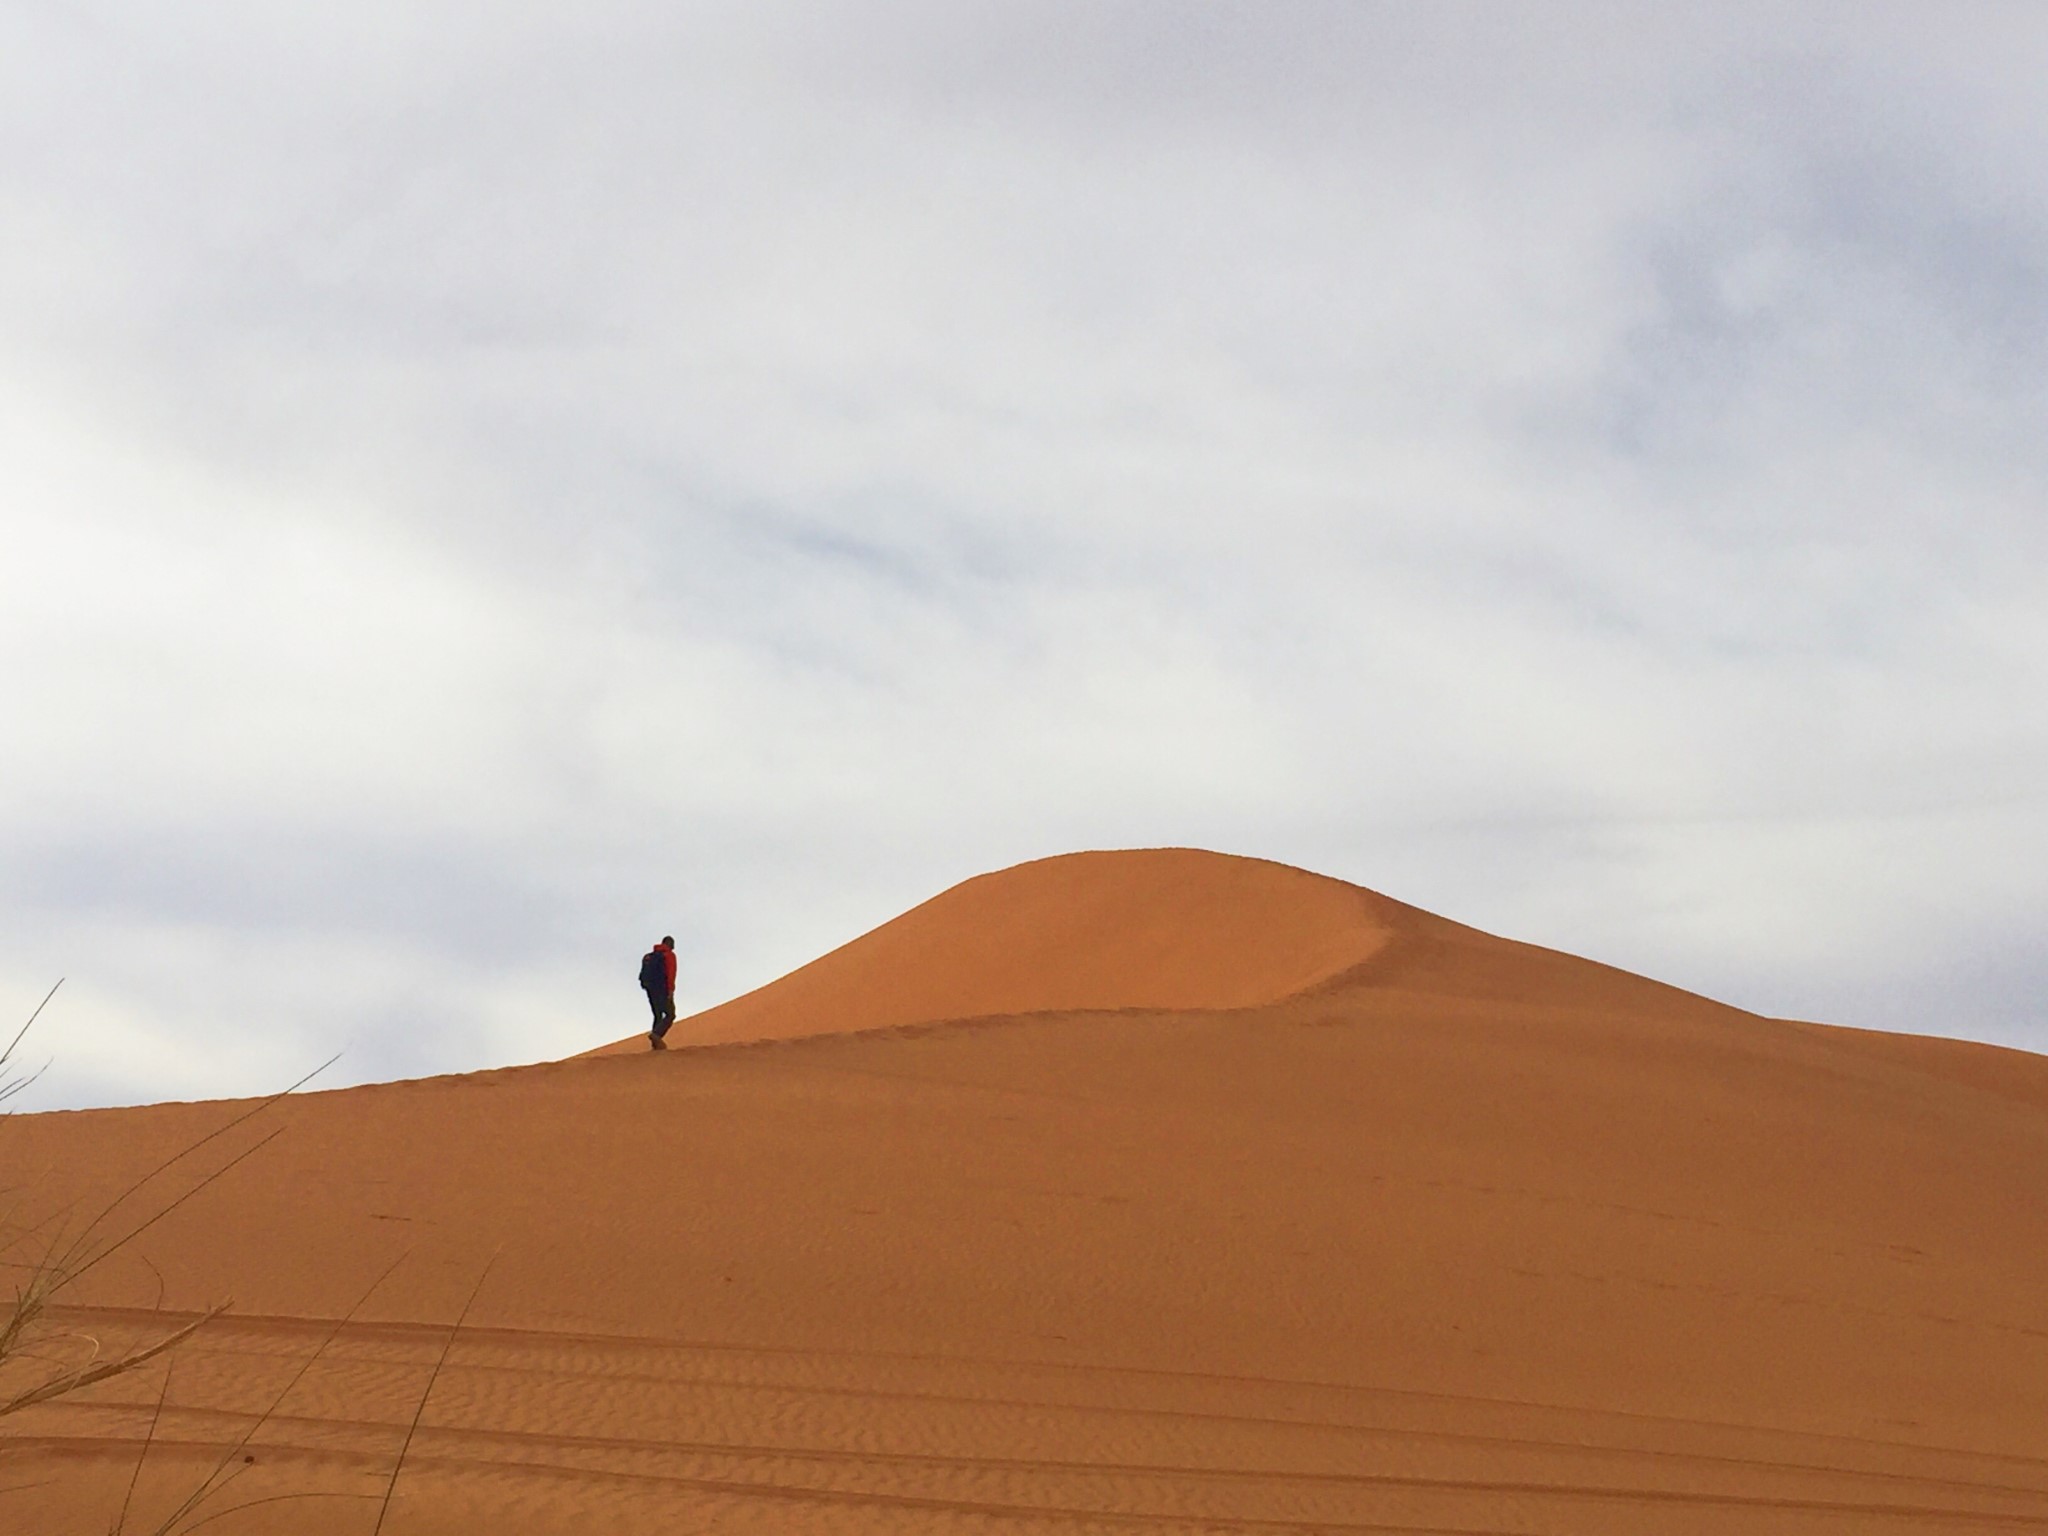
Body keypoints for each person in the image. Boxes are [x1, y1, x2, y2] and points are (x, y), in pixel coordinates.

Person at [639, 936, 677, 1048]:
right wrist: (670, 991)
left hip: (650, 989)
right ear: (670, 944)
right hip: (663, 989)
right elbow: (671, 973)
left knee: (657, 1015)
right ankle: (656, 1035)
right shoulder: (669, 956)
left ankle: (655, 1046)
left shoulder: (648, 957)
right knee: (670, 1014)